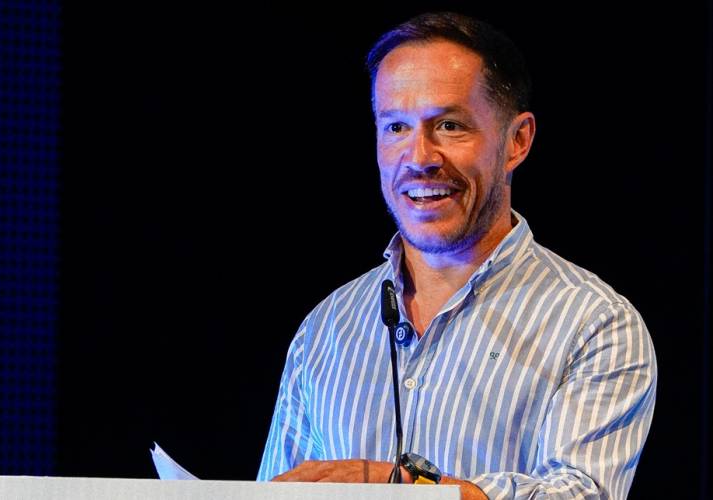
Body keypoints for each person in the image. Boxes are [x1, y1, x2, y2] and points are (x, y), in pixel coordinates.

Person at [257, 11, 656, 500]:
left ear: (517, 141)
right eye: (396, 127)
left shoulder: (595, 324)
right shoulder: (326, 329)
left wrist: (401, 485)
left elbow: (579, 495)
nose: (419, 157)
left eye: (449, 126)